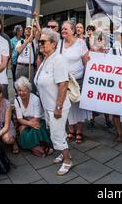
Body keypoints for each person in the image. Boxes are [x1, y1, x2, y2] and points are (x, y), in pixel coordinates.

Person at [34, 28, 73, 175]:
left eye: (43, 42)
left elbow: (63, 85)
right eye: (39, 42)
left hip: (57, 106)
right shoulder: (46, 59)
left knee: (56, 135)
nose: (40, 44)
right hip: (48, 106)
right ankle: (63, 154)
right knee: (58, 132)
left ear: (54, 44)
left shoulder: (58, 59)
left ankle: (68, 160)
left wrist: (58, 107)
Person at [59, 21, 89, 144]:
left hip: (78, 80)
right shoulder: (59, 44)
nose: (63, 31)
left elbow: (86, 62)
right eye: (62, 29)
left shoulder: (80, 43)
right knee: (68, 106)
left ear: (72, 30)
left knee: (78, 105)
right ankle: (71, 130)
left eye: (66, 29)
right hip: (64, 81)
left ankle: (79, 131)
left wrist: (87, 80)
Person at [14, 77, 52, 154]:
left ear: (29, 90)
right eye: (19, 90)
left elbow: (37, 118)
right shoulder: (17, 100)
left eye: (24, 90)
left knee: (35, 130)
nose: (22, 93)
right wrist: (27, 124)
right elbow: (19, 119)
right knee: (26, 133)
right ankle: (38, 148)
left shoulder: (35, 99)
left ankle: (35, 148)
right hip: (26, 122)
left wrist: (25, 125)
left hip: (38, 121)